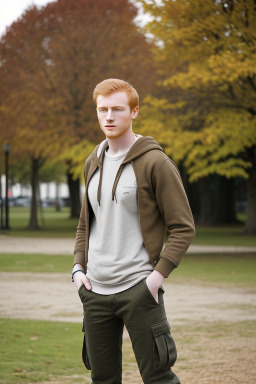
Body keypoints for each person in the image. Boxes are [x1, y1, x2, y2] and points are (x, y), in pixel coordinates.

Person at [72, 78, 195, 384]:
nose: (109, 117)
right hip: (95, 292)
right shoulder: (93, 161)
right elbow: (86, 223)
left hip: (139, 289)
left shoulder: (155, 162)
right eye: (102, 110)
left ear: (134, 111)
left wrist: (156, 278)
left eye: (117, 109)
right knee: (102, 379)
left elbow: (183, 227)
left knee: (158, 378)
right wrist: (77, 269)